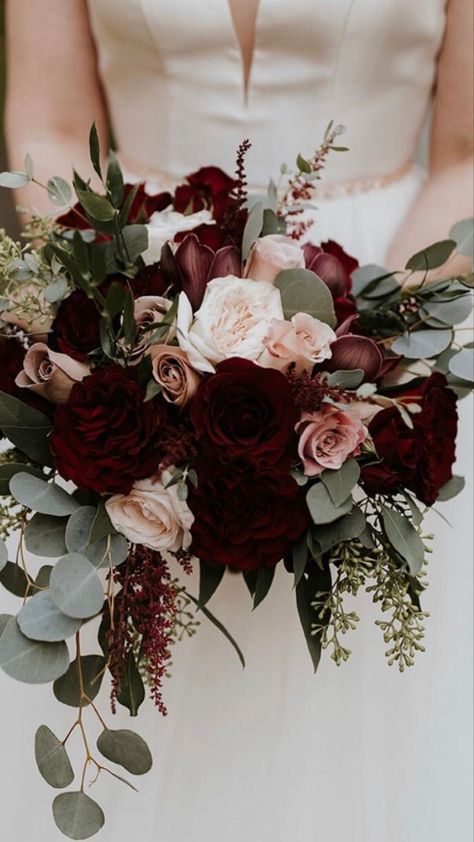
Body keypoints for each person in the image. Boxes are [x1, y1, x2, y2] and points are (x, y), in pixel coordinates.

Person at [1, 2, 473, 840]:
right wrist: (111, 342)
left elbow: (468, 152)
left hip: (388, 296)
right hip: (140, 301)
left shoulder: (378, 345)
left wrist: (358, 362)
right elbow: (53, 122)